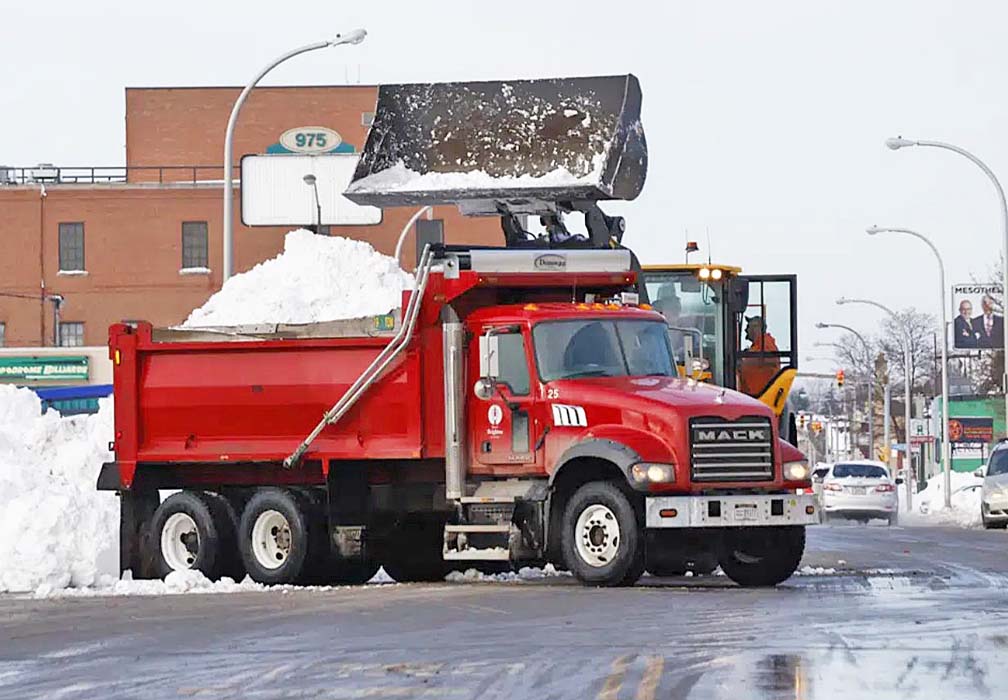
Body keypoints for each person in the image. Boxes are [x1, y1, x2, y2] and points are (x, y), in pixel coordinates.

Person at [738, 315, 780, 396]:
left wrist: (742, 361)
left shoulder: (766, 344)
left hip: (760, 395)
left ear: (756, 328)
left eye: (748, 327)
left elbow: (767, 360)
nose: (745, 330)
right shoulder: (758, 346)